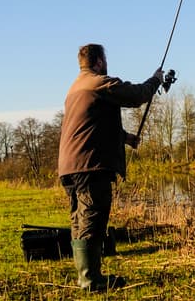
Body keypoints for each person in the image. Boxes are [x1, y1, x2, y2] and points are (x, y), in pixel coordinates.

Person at [57, 43, 164, 292]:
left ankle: (86, 276)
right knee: (92, 219)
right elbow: (136, 95)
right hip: (90, 165)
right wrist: (155, 80)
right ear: (98, 62)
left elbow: (91, 125)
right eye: (105, 59)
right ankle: (91, 280)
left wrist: (126, 138)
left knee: (79, 220)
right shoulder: (99, 82)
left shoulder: (75, 88)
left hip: (70, 166)